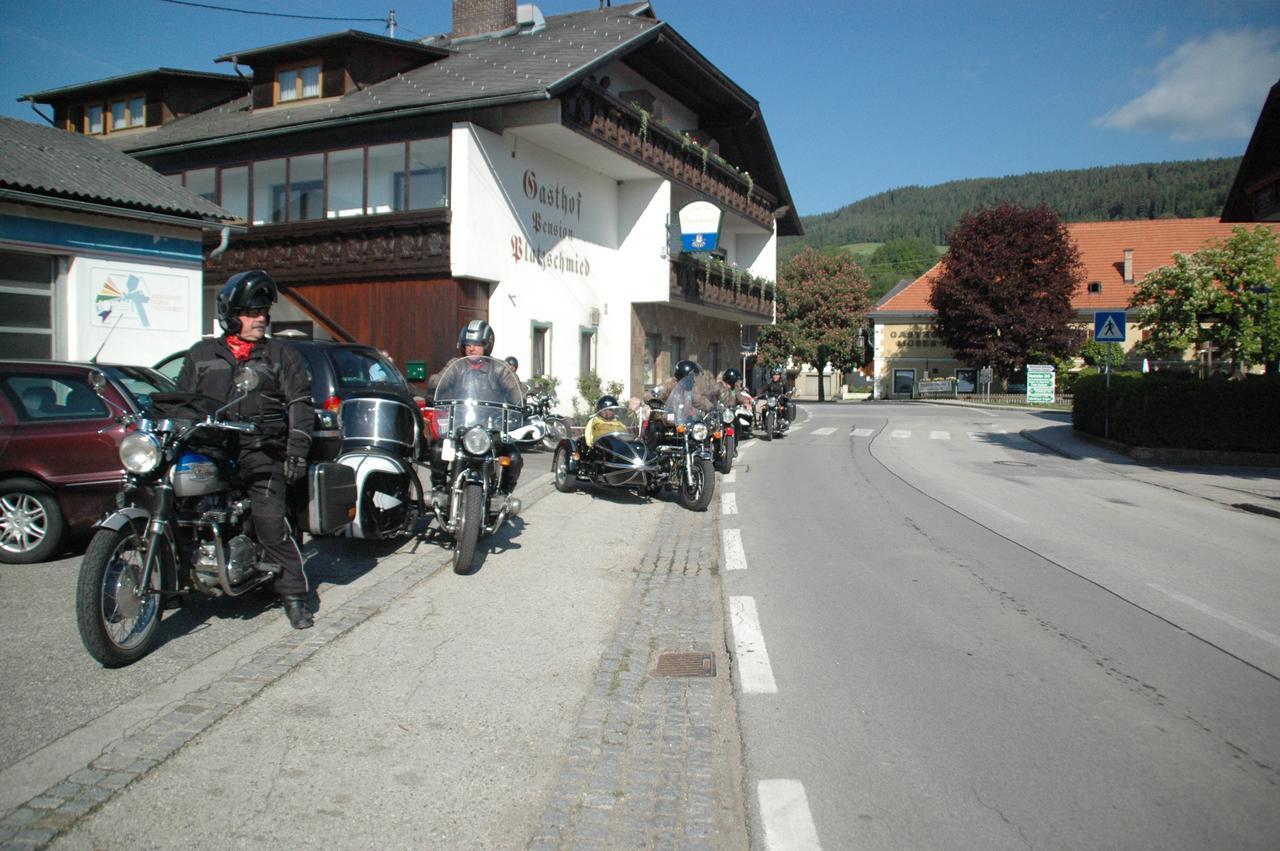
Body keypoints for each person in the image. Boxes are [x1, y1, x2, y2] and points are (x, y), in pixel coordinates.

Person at [176, 270, 316, 630]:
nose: (261, 320)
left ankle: (295, 595)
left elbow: (300, 403)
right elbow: (182, 402)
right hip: (211, 447)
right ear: (231, 314)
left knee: (270, 522)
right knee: (177, 501)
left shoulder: (281, 355)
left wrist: (296, 450)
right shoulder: (201, 354)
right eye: (253, 312)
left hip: (261, 447)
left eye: (264, 313)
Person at [428, 320, 524, 497]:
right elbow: (440, 380)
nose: (471, 349)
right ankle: (439, 488)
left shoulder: (499, 368)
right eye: (468, 345)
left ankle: (503, 493)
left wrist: (520, 401)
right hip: (460, 425)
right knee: (438, 450)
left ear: (487, 345)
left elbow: (514, 390)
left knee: (515, 458)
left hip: (492, 428)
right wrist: (435, 384)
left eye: (477, 344)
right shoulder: (456, 365)